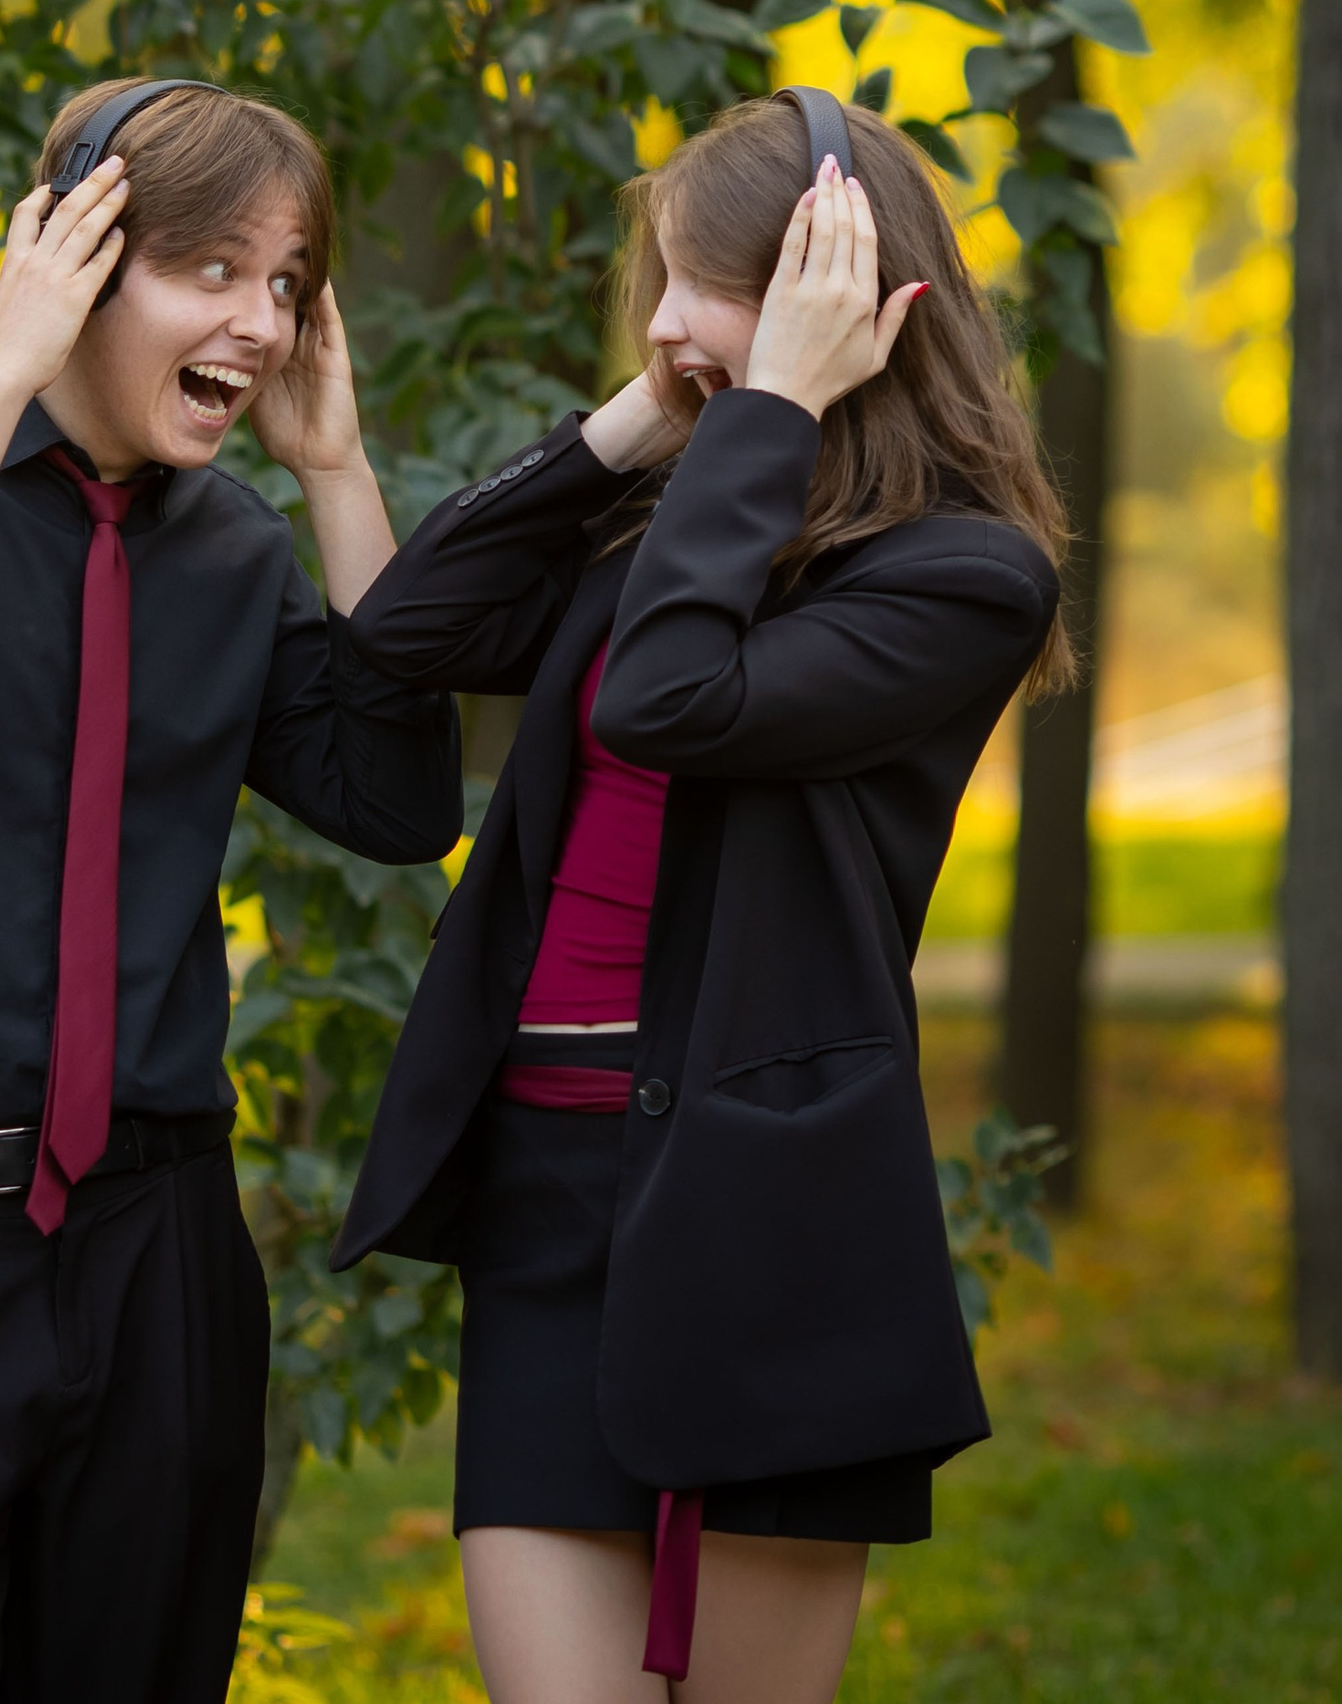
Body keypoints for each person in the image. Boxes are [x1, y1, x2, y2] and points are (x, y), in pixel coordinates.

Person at [0, 75, 462, 1704]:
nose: (262, 322)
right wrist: (7, 362)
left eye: (287, 282)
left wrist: (337, 475)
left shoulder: (236, 552)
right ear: (74, 252)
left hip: (159, 1254)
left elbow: (402, 801)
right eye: (214, 269)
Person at [334, 91, 1068, 1704]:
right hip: (548, 1189)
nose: (662, 323)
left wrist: (766, 419)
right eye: (655, 284)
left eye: (698, 285)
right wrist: (633, 426)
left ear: (840, 289)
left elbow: (676, 699)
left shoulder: (964, 575)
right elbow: (408, 626)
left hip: (777, 1219)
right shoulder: (671, 525)